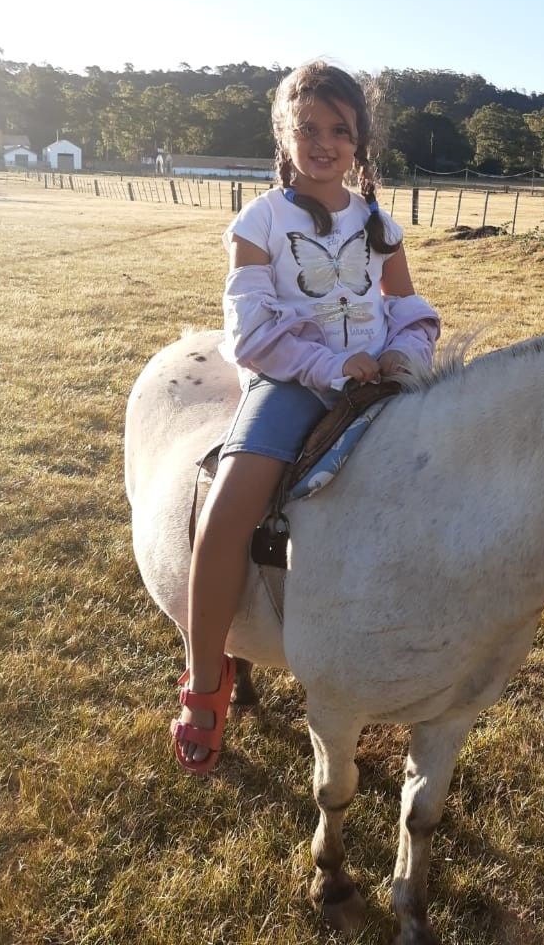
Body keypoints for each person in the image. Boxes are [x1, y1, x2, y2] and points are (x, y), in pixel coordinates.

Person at [172, 61, 441, 773]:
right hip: (295, 382)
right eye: (309, 128)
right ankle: (206, 679)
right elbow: (252, 332)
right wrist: (329, 366)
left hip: (379, 381)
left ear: (360, 141)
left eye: (340, 130)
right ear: (286, 136)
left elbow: (410, 310)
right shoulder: (258, 221)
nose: (324, 143)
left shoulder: (378, 222)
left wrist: (402, 356)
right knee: (228, 511)